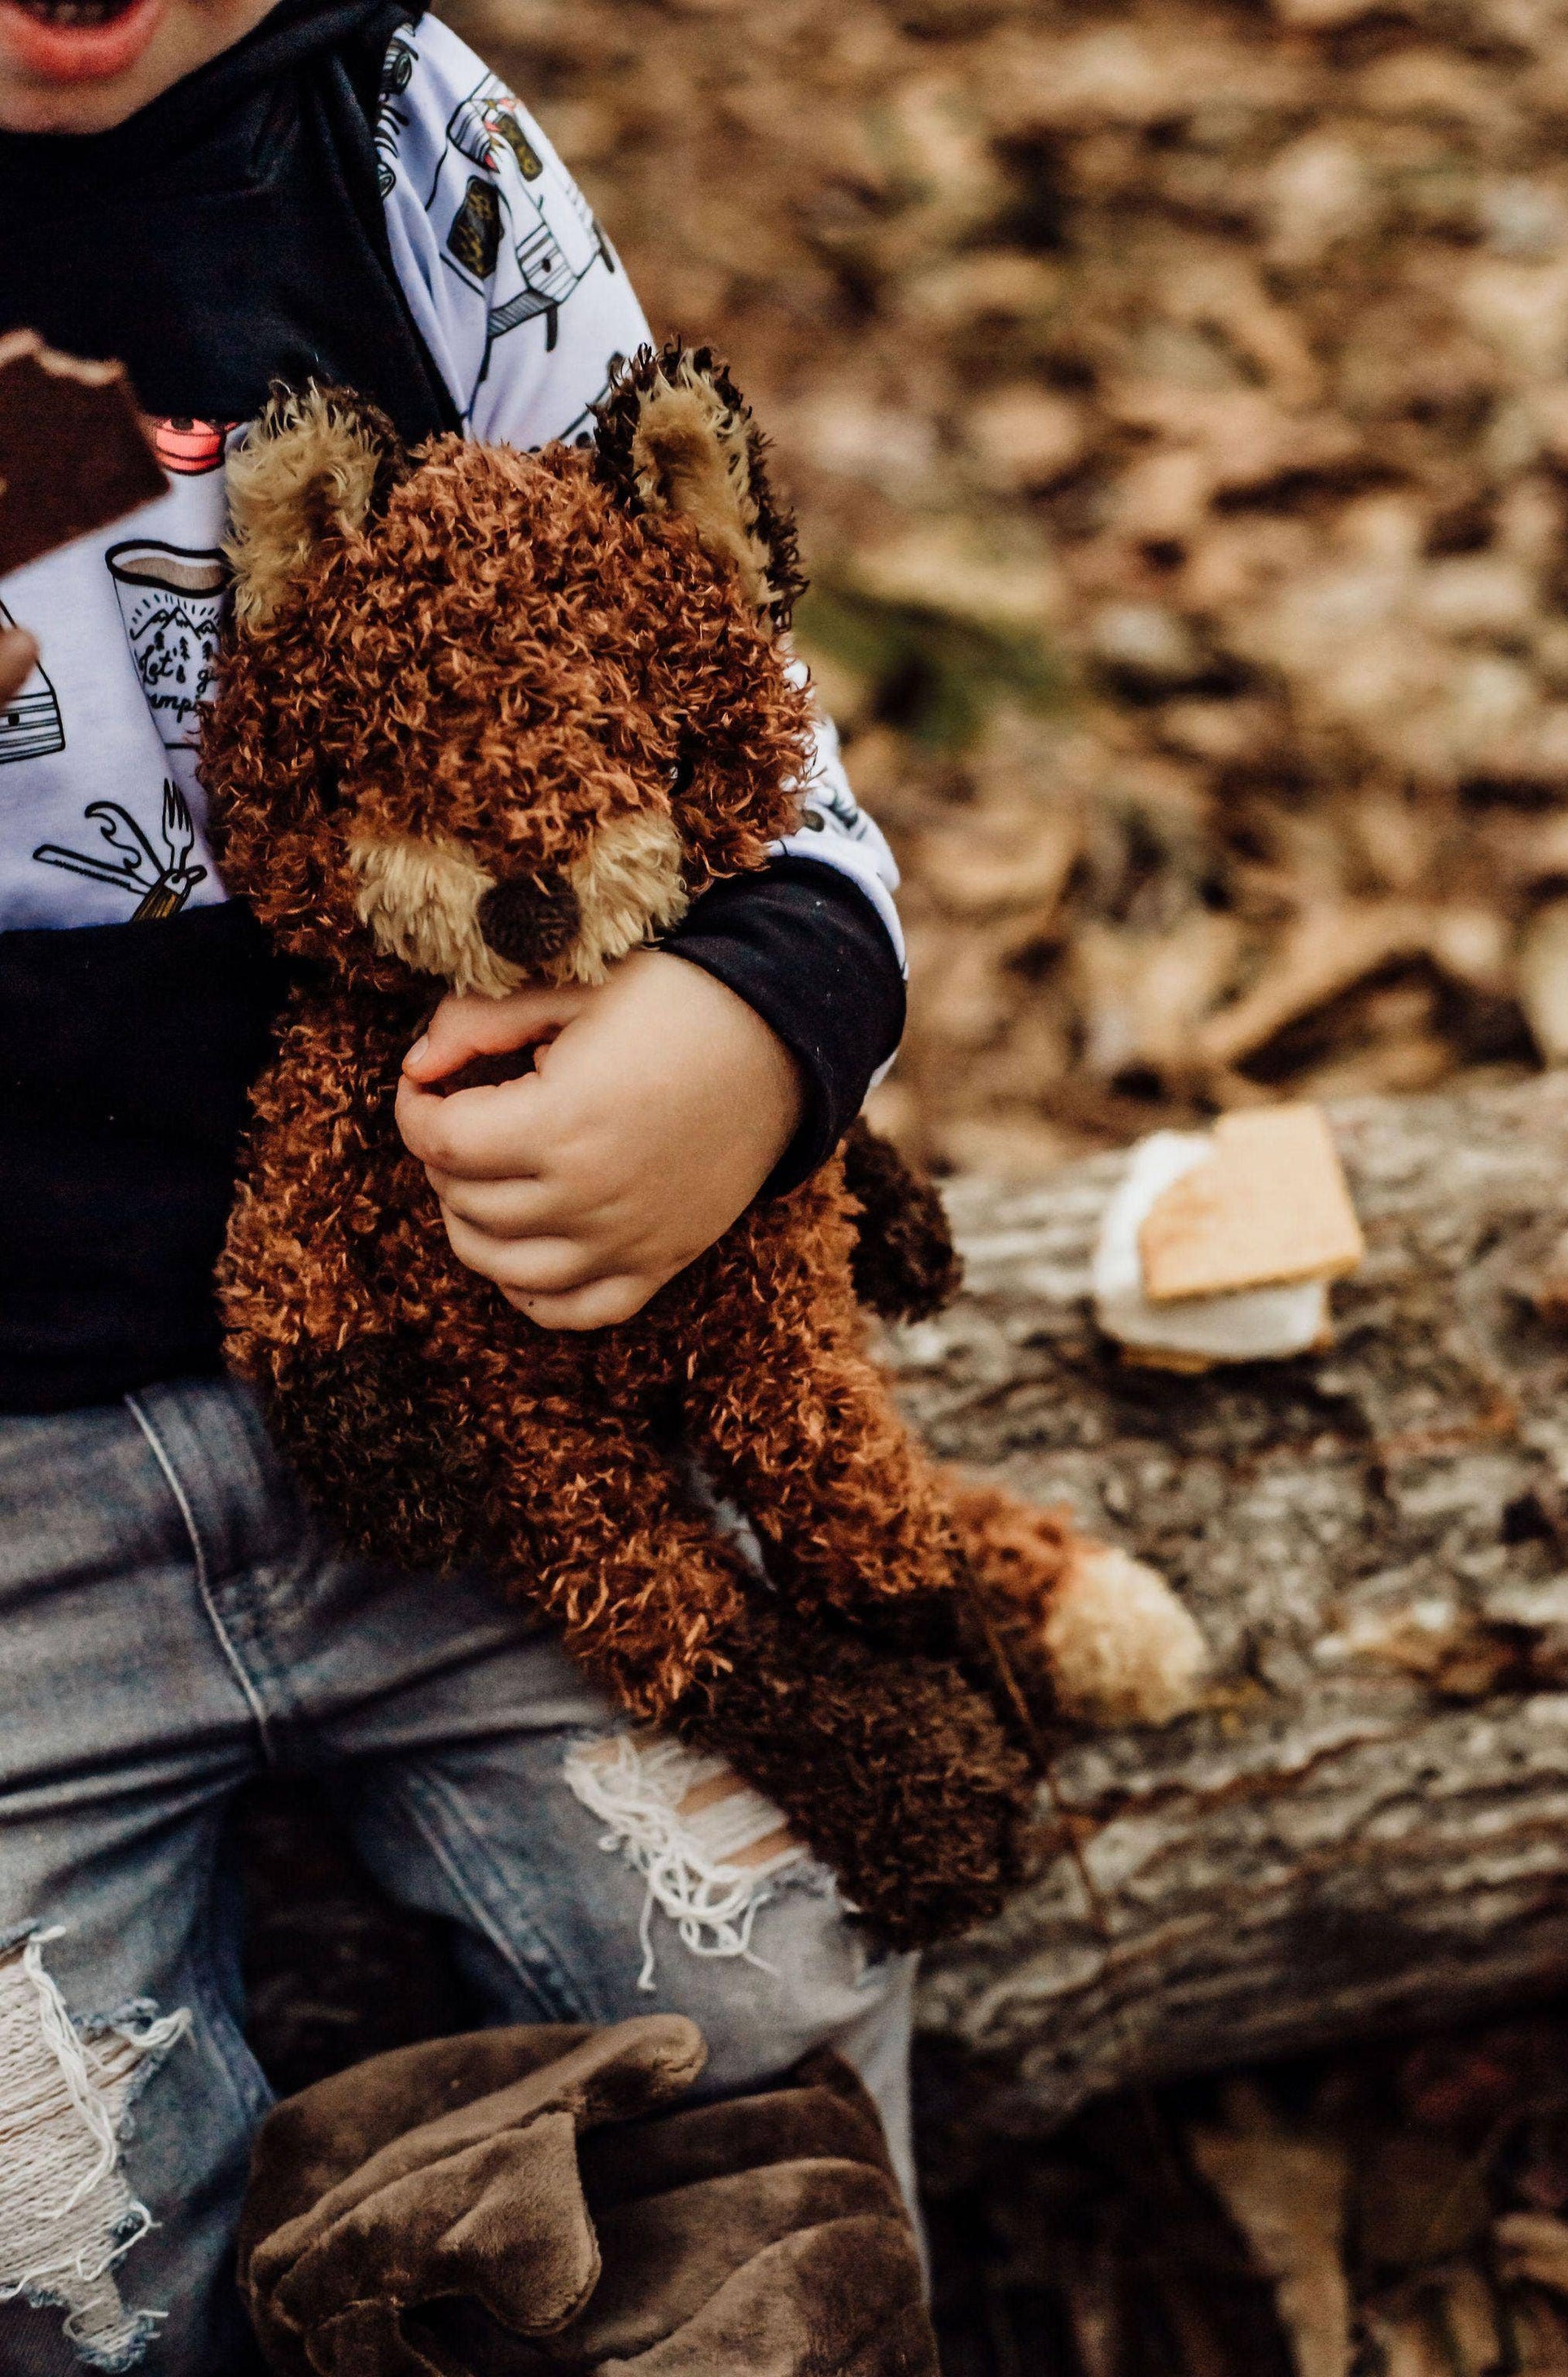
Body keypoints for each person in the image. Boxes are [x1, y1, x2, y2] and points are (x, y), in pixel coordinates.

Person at [0, 3, 913, 2368]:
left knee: (773, 1988)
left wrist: (745, 1030)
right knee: (51, 2226)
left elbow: (735, 711)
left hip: (484, 1415)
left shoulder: (396, 131)